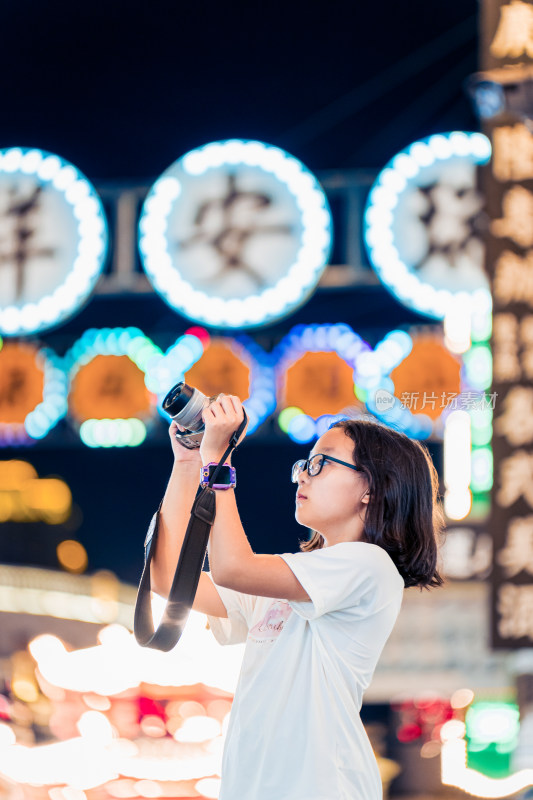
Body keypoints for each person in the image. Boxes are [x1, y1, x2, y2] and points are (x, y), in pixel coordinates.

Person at [148, 394, 445, 800]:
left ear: (372, 488)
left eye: (321, 463)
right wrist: (188, 461)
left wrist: (218, 461)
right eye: (304, 464)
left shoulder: (369, 566)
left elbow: (233, 567)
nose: (302, 475)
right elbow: (169, 580)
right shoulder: (291, 581)